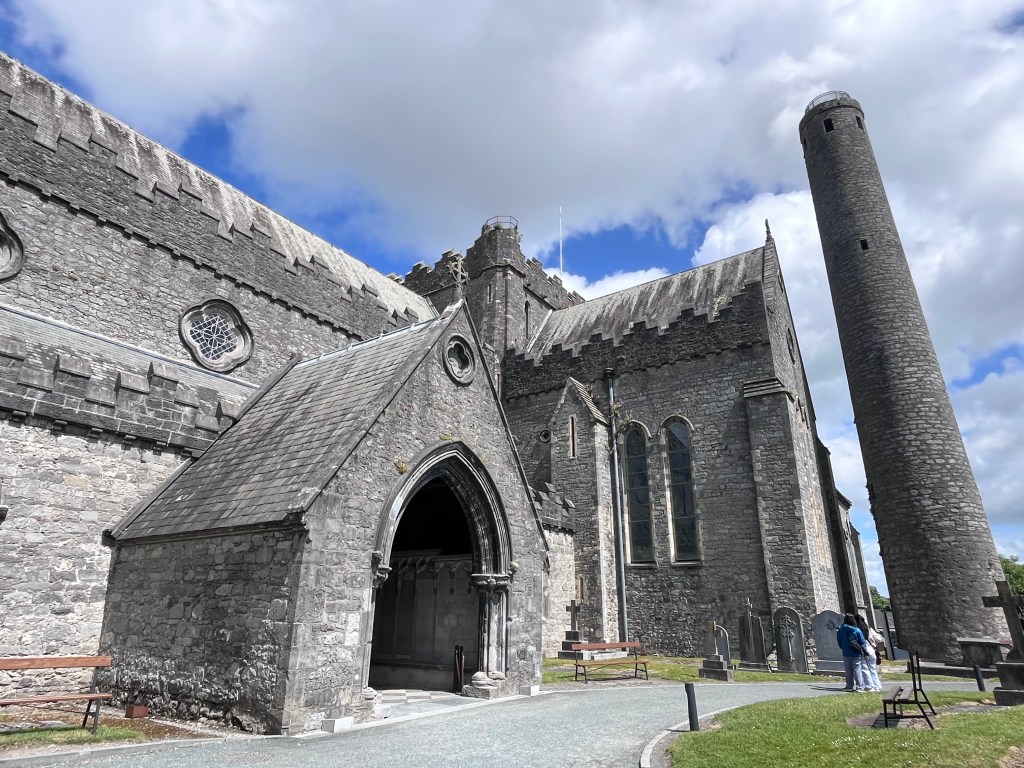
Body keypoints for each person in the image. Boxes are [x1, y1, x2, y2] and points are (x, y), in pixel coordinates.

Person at [836, 612, 868, 691]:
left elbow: (839, 641)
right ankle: (859, 686)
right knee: (857, 669)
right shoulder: (856, 630)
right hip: (856, 652)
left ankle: (849, 686)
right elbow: (862, 642)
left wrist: (844, 648)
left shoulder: (840, 629)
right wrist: (865, 652)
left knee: (848, 669)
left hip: (846, 652)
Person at [857, 614, 884, 692]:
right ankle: (877, 686)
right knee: (873, 669)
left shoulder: (857, 630)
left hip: (864, 650)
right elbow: (879, 639)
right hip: (872, 650)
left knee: (865, 669)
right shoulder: (869, 629)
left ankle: (869, 686)